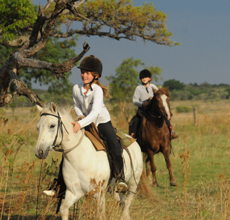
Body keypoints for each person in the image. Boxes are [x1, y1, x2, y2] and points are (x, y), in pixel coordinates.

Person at [43, 55, 127, 198]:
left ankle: (120, 178)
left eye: (88, 73)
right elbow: (76, 105)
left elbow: (95, 113)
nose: (84, 75)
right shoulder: (76, 88)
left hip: (101, 122)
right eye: (82, 72)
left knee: (113, 144)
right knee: (68, 148)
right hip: (85, 122)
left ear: (96, 76)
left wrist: (80, 123)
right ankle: (60, 187)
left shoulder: (98, 91)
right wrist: (80, 116)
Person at [130, 69, 178, 139]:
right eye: (142, 78)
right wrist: (142, 104)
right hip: (143, 109)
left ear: (149, 78)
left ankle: (171, 131)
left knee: (164, 116)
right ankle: (133, 134)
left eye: (145, 77)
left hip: (152, 108)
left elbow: (157, 95)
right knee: (136, 119)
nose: (144, 79)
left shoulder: (153, 86)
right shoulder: (138, 88)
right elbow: (135, 100)